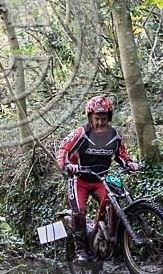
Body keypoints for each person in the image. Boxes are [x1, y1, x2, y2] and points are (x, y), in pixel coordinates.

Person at [56, 96, 139, 261]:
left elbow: (121, 156)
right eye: (97, 119)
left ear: (109, 117)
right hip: (79, 179)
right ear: (90, 118)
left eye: (104, 119)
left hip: (101, 179)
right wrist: (66, 165)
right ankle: (81, 250)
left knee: (114, 207)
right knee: (79, 212)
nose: (101, 122)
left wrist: (129, 164)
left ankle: (113, 246)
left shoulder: (114, 136)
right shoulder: (81, 133)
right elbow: (62, 149)